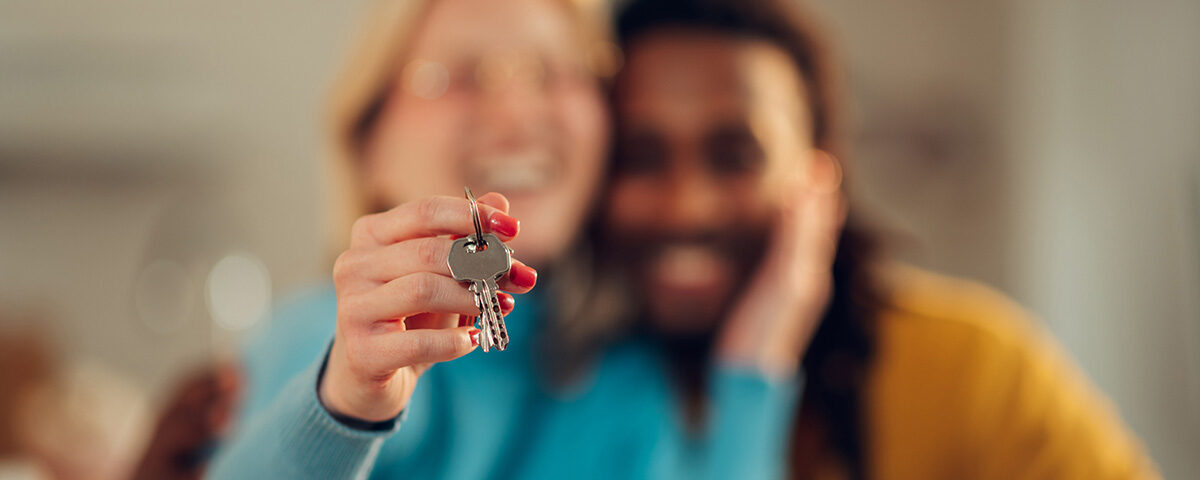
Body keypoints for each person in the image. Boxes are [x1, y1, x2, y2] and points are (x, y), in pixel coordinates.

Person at [593, 0, 1161, 478]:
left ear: (819, 175)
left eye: (736, 156)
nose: (687, 207)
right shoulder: (562, 392)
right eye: (639, 158)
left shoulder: (973, 375)